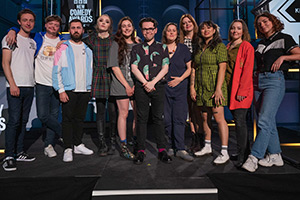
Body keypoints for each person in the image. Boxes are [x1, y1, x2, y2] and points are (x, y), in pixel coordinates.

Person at [242, 12, 300, 172]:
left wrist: (283, 59)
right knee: (267, 120)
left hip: (274, 80)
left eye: (265, 21)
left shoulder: (285, 38)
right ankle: (275, 155)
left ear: (273, 22)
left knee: (264, 121)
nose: (262, 25)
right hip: (258, 81)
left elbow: (299, 54)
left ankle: (254, 157)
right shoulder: (261, 43)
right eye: (259, 23)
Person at [6, 15, 64, 158]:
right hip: (41, 83)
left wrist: (65, 43)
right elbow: (21, 32)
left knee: (54, 115)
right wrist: (12, 29)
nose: (53, 27)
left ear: (59, 28)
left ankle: (49, 145)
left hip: (57, 84)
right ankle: (65, 133)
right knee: (43, 115)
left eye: (56, 25)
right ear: (45, 25)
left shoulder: (63, 42)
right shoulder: (37, 37)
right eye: (50, 24)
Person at [131, 17, 172, 165]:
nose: (147, 31)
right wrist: (145, 83)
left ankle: (162, 150)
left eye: (150, 29)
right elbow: (134, 67)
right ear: (141, 30)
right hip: (142, 87)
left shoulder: (163, 48)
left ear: (155, 30)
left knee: (158, 118)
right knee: (141, 119)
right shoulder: (136, 48)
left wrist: (153, 82)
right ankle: (140, 151)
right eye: (145, 29)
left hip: (158, 86)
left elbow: (165, 67)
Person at [52, 19, 94, 162]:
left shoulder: (88, 49)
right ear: (69, 30)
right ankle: (68, 148)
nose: (76, 30)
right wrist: (61, 90)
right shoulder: (63, 48)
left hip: (85, 90)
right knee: (67, 120)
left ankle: (77, 144)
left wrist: (90, 88)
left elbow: (91, 70)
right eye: (73, 28)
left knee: (79, 119)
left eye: (78, 28)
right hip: (69, 90)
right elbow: (55, 71)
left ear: (82, 30)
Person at [2, 9, 37, 171]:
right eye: (25, 20)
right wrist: (12, 84)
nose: (28, 23)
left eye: (31, 20)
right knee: (14, 121)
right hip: (15, 86)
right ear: (19, 22)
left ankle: (20, 151)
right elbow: (5, 63)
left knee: (23, 121)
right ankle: (8, 155)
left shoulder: (33, 41)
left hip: (29, 86)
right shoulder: (9, 38)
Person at [190, 20, 229, 164]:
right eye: (203, 28)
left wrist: (218, 89)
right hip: (201, 87)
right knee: (205, 118)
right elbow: (194, 68)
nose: (205, 30)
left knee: (219, 118)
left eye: (209, 28)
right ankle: (207, 146)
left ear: (214, 30)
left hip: (214, 87)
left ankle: (224, 151)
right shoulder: (199, 47)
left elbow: (223, 67)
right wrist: (192, 87)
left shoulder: (219, 46)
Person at [83, 14, 117, 156]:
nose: (103, 23)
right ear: (97, 24)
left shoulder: (115, 39)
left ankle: (113, 141)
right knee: (101, 111)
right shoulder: (91, 39)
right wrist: (62, 43)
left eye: (107, 21)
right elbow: (75, 41)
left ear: (110, 25)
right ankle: (102, 143)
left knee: (113, 111)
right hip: (98, 75)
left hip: (113, 74)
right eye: (101, 21)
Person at [162, 22, 194, 162]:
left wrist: (179, 79)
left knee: (179, 119)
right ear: (165, 33)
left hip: (180, 88)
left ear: (177, 33)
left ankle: (180, 148)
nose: (171, 33)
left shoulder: (183, 49)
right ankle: (170, 146)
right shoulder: (160, 49)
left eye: (174, 30)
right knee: (167, 119)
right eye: (169, 30)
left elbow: (189, 68)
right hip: (164, 88)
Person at [107, 16, 137, 160]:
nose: (126, 28)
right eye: (123, 26)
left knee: (138, 114)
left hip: (137, 84)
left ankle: (136, 141)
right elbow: (114, 67)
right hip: (121, 84)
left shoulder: (138, 44)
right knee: (123, 114)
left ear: (133, 28)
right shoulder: (116, 44)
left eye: (129, 25)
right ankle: (124, 146)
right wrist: (126, 85)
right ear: (120, 29)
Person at [226, 19, 254, 167]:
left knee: (240, 122)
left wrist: (242, 91)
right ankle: (245, 151)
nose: (235, 31)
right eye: (232, 28)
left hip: (242, 90)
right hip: (231, 88)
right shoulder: (229, 46)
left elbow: (248, 70)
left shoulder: (246, 46)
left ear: (243, 31)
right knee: (238, 122)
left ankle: (243, 156)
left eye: (238, 28)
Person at [179, 14, 204, 154]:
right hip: (185, 77)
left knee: (198, 110)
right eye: (184, 23)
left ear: (194, 23)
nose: (187, 24)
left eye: (189, 22)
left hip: (199, 77)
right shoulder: (180, 41)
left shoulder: (199, 39)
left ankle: (201, 139)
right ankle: (194, 138)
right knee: (190, 110)